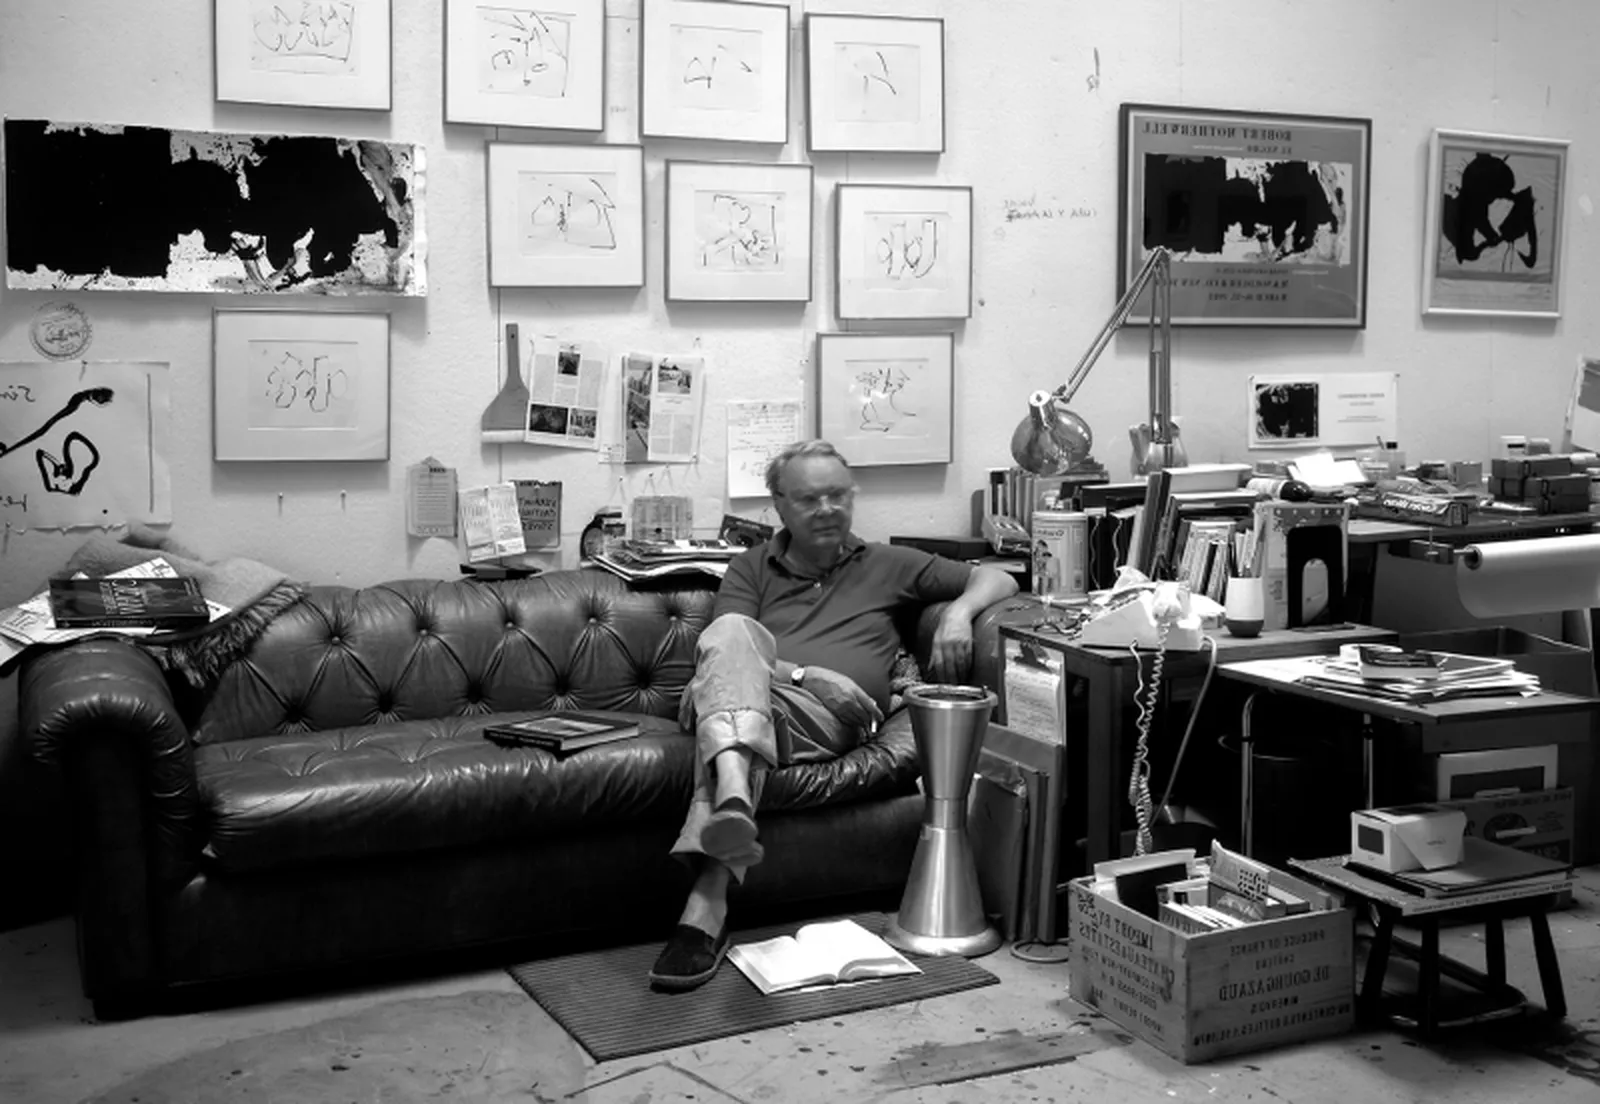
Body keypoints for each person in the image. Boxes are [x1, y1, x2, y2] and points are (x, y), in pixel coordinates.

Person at [648, 440, 1019, 990]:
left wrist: (960, 615)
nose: (826, 510)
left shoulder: (889, 563)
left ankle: (709, 895)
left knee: (727, 729)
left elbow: (1000, 577)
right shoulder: (751, 569)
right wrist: (807, 674)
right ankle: (726, 817)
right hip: (757, 699)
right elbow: (724, 649)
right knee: (729, 637)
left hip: (820, 723)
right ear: (778, 505)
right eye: (808, 499)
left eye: (836, 496)